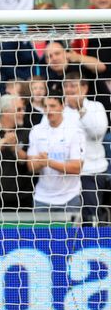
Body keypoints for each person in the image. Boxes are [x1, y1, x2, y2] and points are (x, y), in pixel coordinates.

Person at [63, 72, 109, 224]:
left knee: (91, 217)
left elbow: (98, 132)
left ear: (84, 88)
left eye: (73, 86)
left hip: (91, 172)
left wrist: (80, 108)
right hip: (65, 173)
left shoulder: (96, 107)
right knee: (69, 218)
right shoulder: (58, 109)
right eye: (66, 86)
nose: (69, 90)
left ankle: (91, 246)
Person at [27, 93, 84, 213]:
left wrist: (48, 162)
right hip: (42, 198)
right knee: (40, 232)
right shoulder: (37, 130)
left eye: (53, 106)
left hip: (69, 198)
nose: (49, 110)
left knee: (70, 233)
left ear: (62, 106)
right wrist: (41, 163)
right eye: (46, 106)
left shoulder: (74, 131)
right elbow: (31, 166)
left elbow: (76, 168)